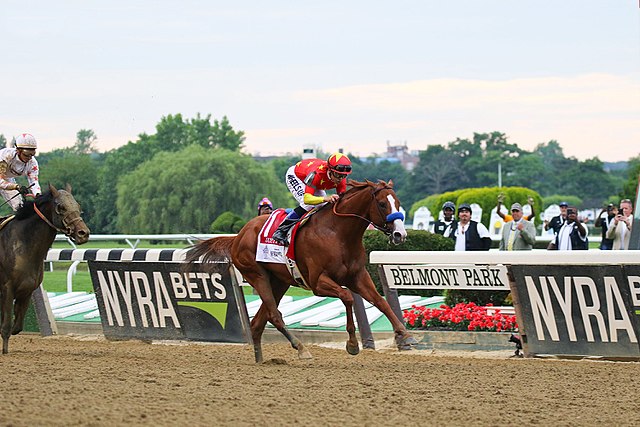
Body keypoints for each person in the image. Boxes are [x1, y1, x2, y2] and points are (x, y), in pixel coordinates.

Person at [272, 153, 352, 245]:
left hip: (315, 182)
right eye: (338, 175)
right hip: (296, 176)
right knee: (307, 205)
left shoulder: (341, 178)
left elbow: (342, 199)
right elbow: (307, 199)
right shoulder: (316, 174)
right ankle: (281, 230)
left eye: (343, 176)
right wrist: (326, 198)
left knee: (323, 206)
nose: (340, 179)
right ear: (330, 170)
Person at [0, 133, 42, 211]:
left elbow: (34, 183)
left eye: (32, 155)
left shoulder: (33, 164)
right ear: (18, 151)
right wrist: (16, 187)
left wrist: (38, 195)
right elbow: (1, 181)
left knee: (19, 207)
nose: (29, 158)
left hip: (8, 179)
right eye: (26, 155)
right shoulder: (5, 156)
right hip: (1, 178)